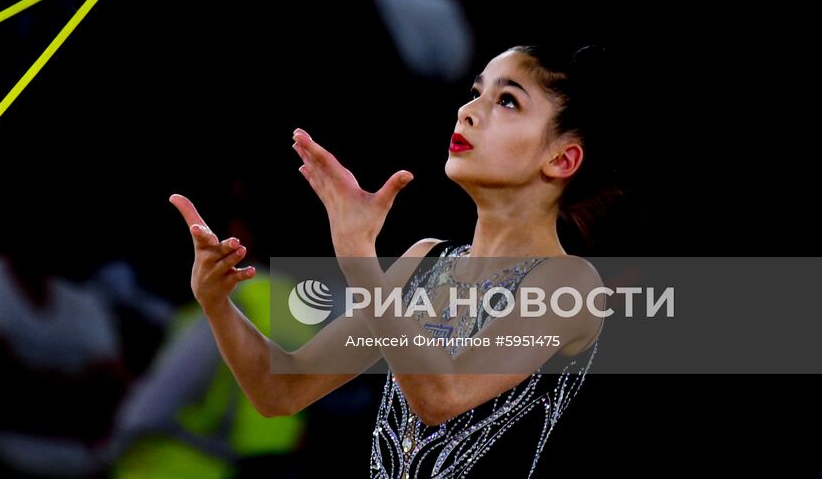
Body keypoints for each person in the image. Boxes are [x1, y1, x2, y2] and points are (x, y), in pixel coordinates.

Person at [169, 43, 625, 477]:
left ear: (562, 159)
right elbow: (281, 390)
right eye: (475, 92)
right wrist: (216, 303)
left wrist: (359, 259)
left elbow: (442, 395)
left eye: (507, 101)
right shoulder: (424, 262)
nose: (469, 111)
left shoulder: (570, 282)